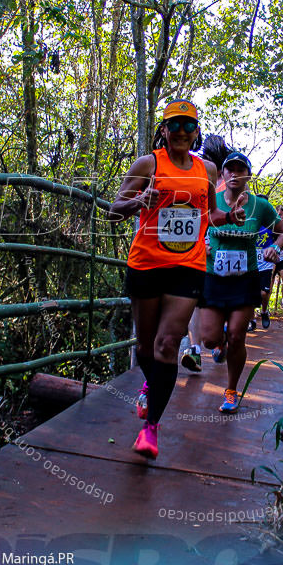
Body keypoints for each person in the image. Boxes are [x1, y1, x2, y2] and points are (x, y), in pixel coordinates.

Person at [110, 101, 244, 459]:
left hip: (188, 265)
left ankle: (151, 427)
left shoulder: (208, 169)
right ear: (165, 131)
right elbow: (112, 212)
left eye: (189, 125)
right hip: (147, 264)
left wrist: (230, 216)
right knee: (146, 346)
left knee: (168, 345)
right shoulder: (148, 164)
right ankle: (149, 384)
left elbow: (208, 214)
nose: (183, 131)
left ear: (196, 131)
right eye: (175, 125)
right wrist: (139, 200)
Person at [199, 152, 283, 413]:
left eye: (241, 170)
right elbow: (196, 229)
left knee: (239, 335)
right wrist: (201, 246)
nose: (235, 174)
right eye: (230, 169)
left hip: (245, 278)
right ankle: (221, 342)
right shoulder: (211, 201)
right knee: (209, 339)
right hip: (214, 278)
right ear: (223, 174)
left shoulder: (259, 207)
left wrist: (274, 248)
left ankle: (231, 391)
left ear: (248, 176)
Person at [180, 135, 231, 373]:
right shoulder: (200, 174)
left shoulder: (228, 178)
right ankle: (196, 349)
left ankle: (206, 345)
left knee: (202, 302)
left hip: (218, 248)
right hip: (202, 247)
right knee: (197, 300)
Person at [253, 193, 277, 331]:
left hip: (265, 262)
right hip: (250, 262)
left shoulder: (272, 223)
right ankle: (251, 320)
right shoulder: (249, 219)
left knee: (263, 293)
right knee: (249, 293)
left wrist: (275, 250)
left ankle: (264, 311)